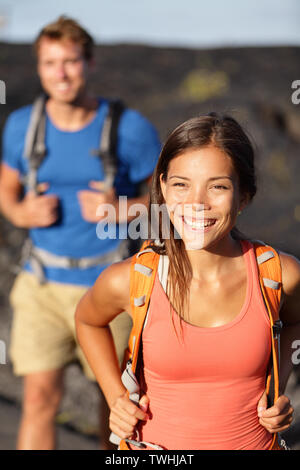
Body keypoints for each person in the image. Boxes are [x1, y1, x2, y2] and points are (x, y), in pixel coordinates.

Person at [75, 113, 299, 450]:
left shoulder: (281, 274)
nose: (196, 203)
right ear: (163, 188)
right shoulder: (133, 279)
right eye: (181, 184)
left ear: (244, 196)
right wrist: (116, 397)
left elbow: (296, 321)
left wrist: (277, 386)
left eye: (218, 186)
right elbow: (87, 321)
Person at [0, 16, 161, 450]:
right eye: (50, 63)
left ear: (89, 63)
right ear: (39, 67)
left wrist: (121, 208)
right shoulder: (21, 126)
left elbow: (168, 201)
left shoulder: (130, 129)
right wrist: (20, 212)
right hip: (41, 286)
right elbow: (6, 191)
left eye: (70, 61)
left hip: (112, 290)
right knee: (37, 400)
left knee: (120, 410)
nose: (61, 73)